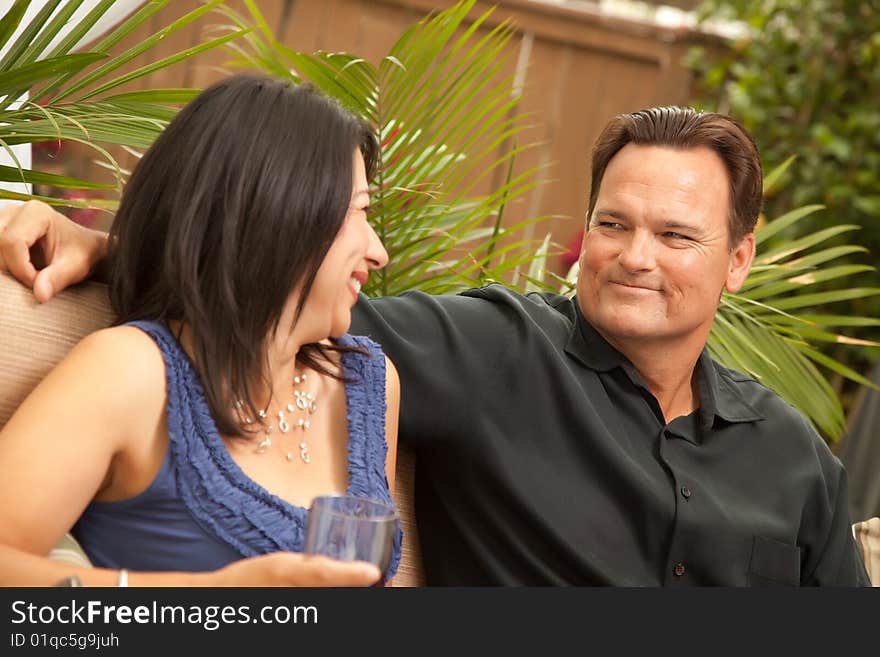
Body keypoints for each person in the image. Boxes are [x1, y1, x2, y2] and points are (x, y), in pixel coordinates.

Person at [1, 106, 869, 586]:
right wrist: (105, 245)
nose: (634, 256)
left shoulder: (794, 457)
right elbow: (264, 289)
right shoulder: (490, 350)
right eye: (612, 223)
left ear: (739, 262)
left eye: (676, 236)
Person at [0, 73, 401, 586]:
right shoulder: (131, 373)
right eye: (360, 213)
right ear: (280, 214)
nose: (379, 252)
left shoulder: (368, 384)